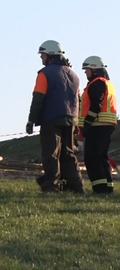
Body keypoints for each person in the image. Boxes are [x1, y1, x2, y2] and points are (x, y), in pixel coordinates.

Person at [26, 40, 83, 193]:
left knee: (51, 153)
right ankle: (76, 187)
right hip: (71, 119)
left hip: (51, 118)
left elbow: (38, 98)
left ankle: (51, 187)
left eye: (43, 55)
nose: (41, 59)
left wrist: (31, 120)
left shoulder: (44, 74)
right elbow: (79, 100)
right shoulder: (74, 75)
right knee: (68, 154)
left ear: (50, 56)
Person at [79, 56, 117, 194]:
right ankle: (107, 187)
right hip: (105, 125)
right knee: (101, 157)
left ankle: (100, 188)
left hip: (97, 125)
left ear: (94, 70)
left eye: (87, 69)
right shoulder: (107, 83)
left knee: (92, 158)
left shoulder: (97, 83)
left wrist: (87, 123)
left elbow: (96, 105)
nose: (85, 72)